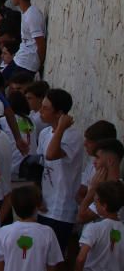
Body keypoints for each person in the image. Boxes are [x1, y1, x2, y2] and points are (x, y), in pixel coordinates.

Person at [37, 88, 84, 256]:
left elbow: (51, 154)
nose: (40, 111)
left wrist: (61, 128)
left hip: (61, 209)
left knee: (53, 257)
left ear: (59, 113)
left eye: (46, 108)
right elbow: (41, 164)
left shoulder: (73, 136)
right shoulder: (44, 133)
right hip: (44, 205)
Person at [0, 185, 63, 271]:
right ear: (37, 206)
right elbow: (52, 266)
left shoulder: (3, 232)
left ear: (14, 207)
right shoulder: (48, 232)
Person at [76, 181, 124, 270]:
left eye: (95, 202)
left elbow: (81, 258)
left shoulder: (94, 228)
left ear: (104, 206)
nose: (94, 205)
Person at [8, 0, 45, 79]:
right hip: (20, 58)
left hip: (27, 63)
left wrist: (39, 64)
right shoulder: (26, 12)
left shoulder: (32, 15)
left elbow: (40, 42)